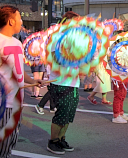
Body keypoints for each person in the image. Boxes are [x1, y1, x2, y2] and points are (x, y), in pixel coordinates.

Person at [0, 5, 44, 158]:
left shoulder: (16, 43)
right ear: (10, 21)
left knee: (11, 141)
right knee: (0, 147)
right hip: (1, 104)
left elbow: (19, 71)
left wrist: (34, 81)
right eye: (19, 18)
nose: (21, 22)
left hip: (16, 102)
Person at [47, 11, 80, 155]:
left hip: (73, 83)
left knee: (69, 115)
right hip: (61, 82)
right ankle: (53, 141)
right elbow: (56, 60)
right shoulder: (58, 37)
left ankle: (61, 139)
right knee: (61, 114)